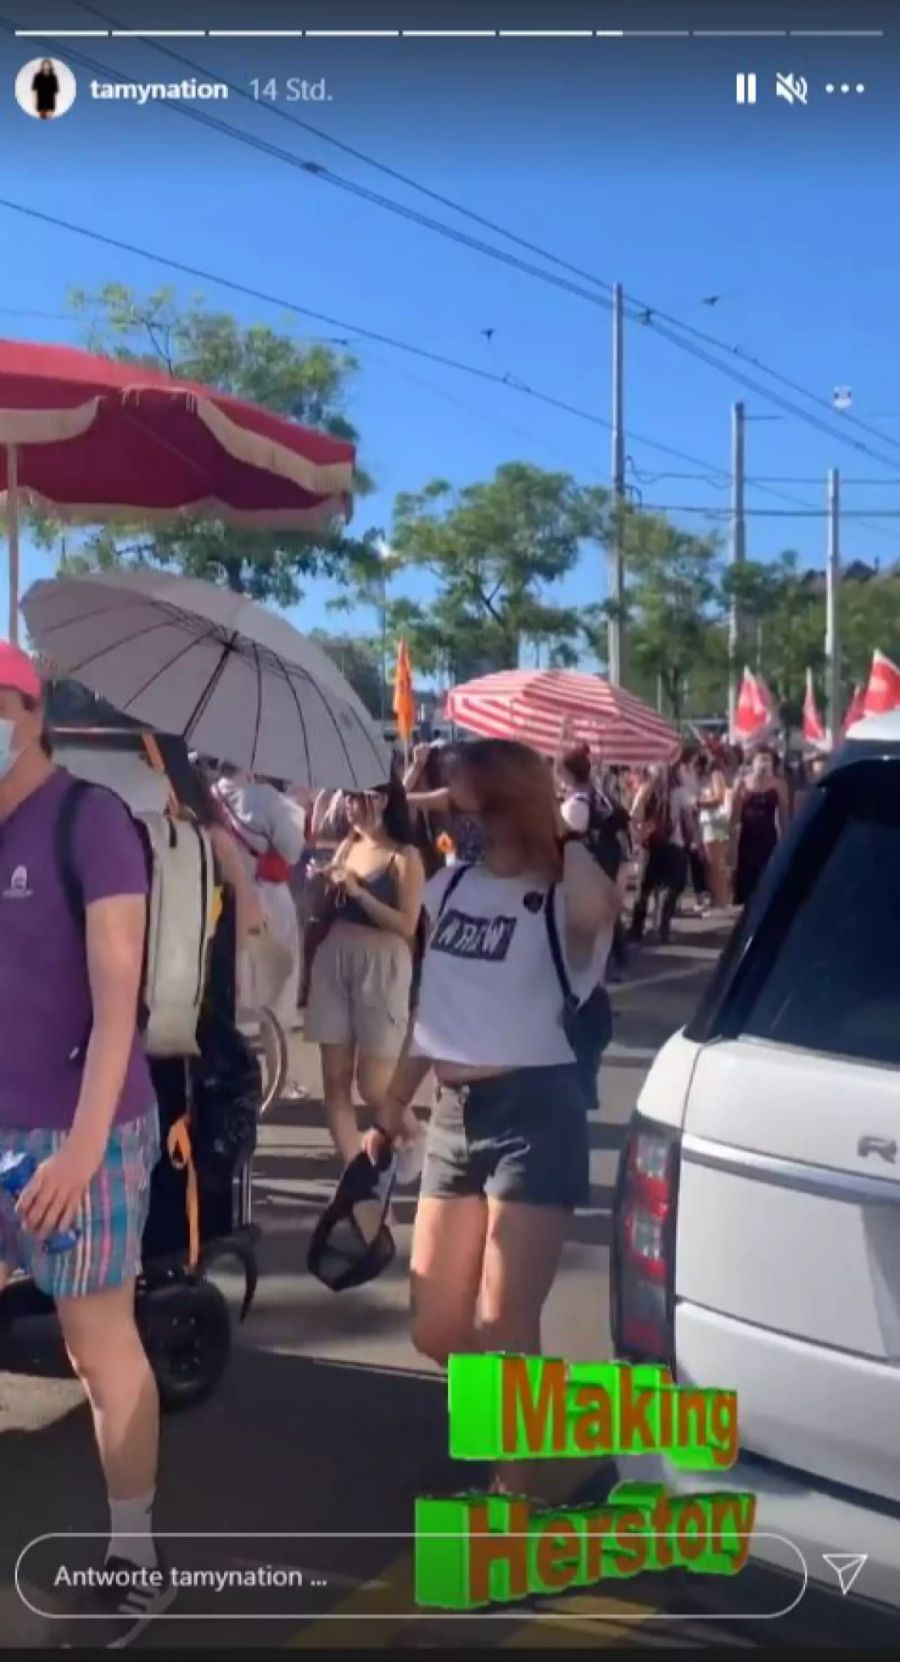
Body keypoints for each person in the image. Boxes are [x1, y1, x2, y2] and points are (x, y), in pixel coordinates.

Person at [363, 740, 620, 1492]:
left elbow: (599, 908)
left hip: (537, 1111)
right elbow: (434, 1010)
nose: (453, 817)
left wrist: (560, 832)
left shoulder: (563, 894)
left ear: (504, 803)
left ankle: (519, 1489)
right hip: (452, 1112)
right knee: (438, 1327)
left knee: (506, 1320)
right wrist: (392, 1100)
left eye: (466, 800)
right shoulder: (450, 890)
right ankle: (544, 1423)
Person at [0, 643, 172, 1642]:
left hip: (87, 1134)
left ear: (34, 711)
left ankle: (134, 1553)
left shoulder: (90, 822)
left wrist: (75, 1152)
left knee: (96, 1345)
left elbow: (118, 1009)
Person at [304, 775, 425, 1167]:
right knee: (335, 1083)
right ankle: (356, 1175)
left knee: (374, 1085)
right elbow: (327, 906)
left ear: (385, 800)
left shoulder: (405, 855)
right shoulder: (348, 845)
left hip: (382, 965)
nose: (351, 806)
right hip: (335, 957)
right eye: (347, 797)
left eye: (361, 798)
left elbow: (407, 924)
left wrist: (359, 893)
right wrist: (324, 885)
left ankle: (411, 1132)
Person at [214, 766, 306, 1092]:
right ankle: (279, 1078)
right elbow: (293, 849)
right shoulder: (267, 799)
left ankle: (232, 1073)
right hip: (270, 898)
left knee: (235, 988)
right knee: (278, 988)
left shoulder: (208, 797)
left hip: (226, 901)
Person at [557, 742, 628, 982]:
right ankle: (609, 970)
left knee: (588, 936)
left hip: (586, 873)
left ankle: (592, 988)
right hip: (607, 867)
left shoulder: (576, 804)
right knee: (603, 929)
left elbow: (566, 834)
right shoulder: (598, 796)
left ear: (566, 773)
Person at [629, 763, 697, 945]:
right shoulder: (680, 792)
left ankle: (637, 928)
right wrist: (692, 840)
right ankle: (661, 927)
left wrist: (639, 836)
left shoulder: (645, 790)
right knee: (670, 886)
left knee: (643, 888)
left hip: (649, 845)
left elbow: (634, 816)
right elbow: (688, 821)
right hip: (673, 844)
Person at [404, 741, 486, 864]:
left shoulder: (454, 796)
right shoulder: (432, 821)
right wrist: (416, 766)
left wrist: (417, 766)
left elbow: (396, 800)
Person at [731, 745, 788, 908]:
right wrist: (731, 842)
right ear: (752, 762)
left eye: (768, 759)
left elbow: (783, 815)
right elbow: (734, 816)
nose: (764, 763)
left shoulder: (778, 784)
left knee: (766, 877)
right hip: (747, 837)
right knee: (748, 879)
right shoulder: (742, 783)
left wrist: (785, 839)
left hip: (768, 837)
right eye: (761, 759)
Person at [695, 750, 732, 910]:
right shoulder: (703, 778)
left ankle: (722, 899)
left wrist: (700, 802)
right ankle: (718, 897)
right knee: (711, 863)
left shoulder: (715, 775)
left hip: (715, 822)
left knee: (716, 862)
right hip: (708, 822)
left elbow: (719, 796)